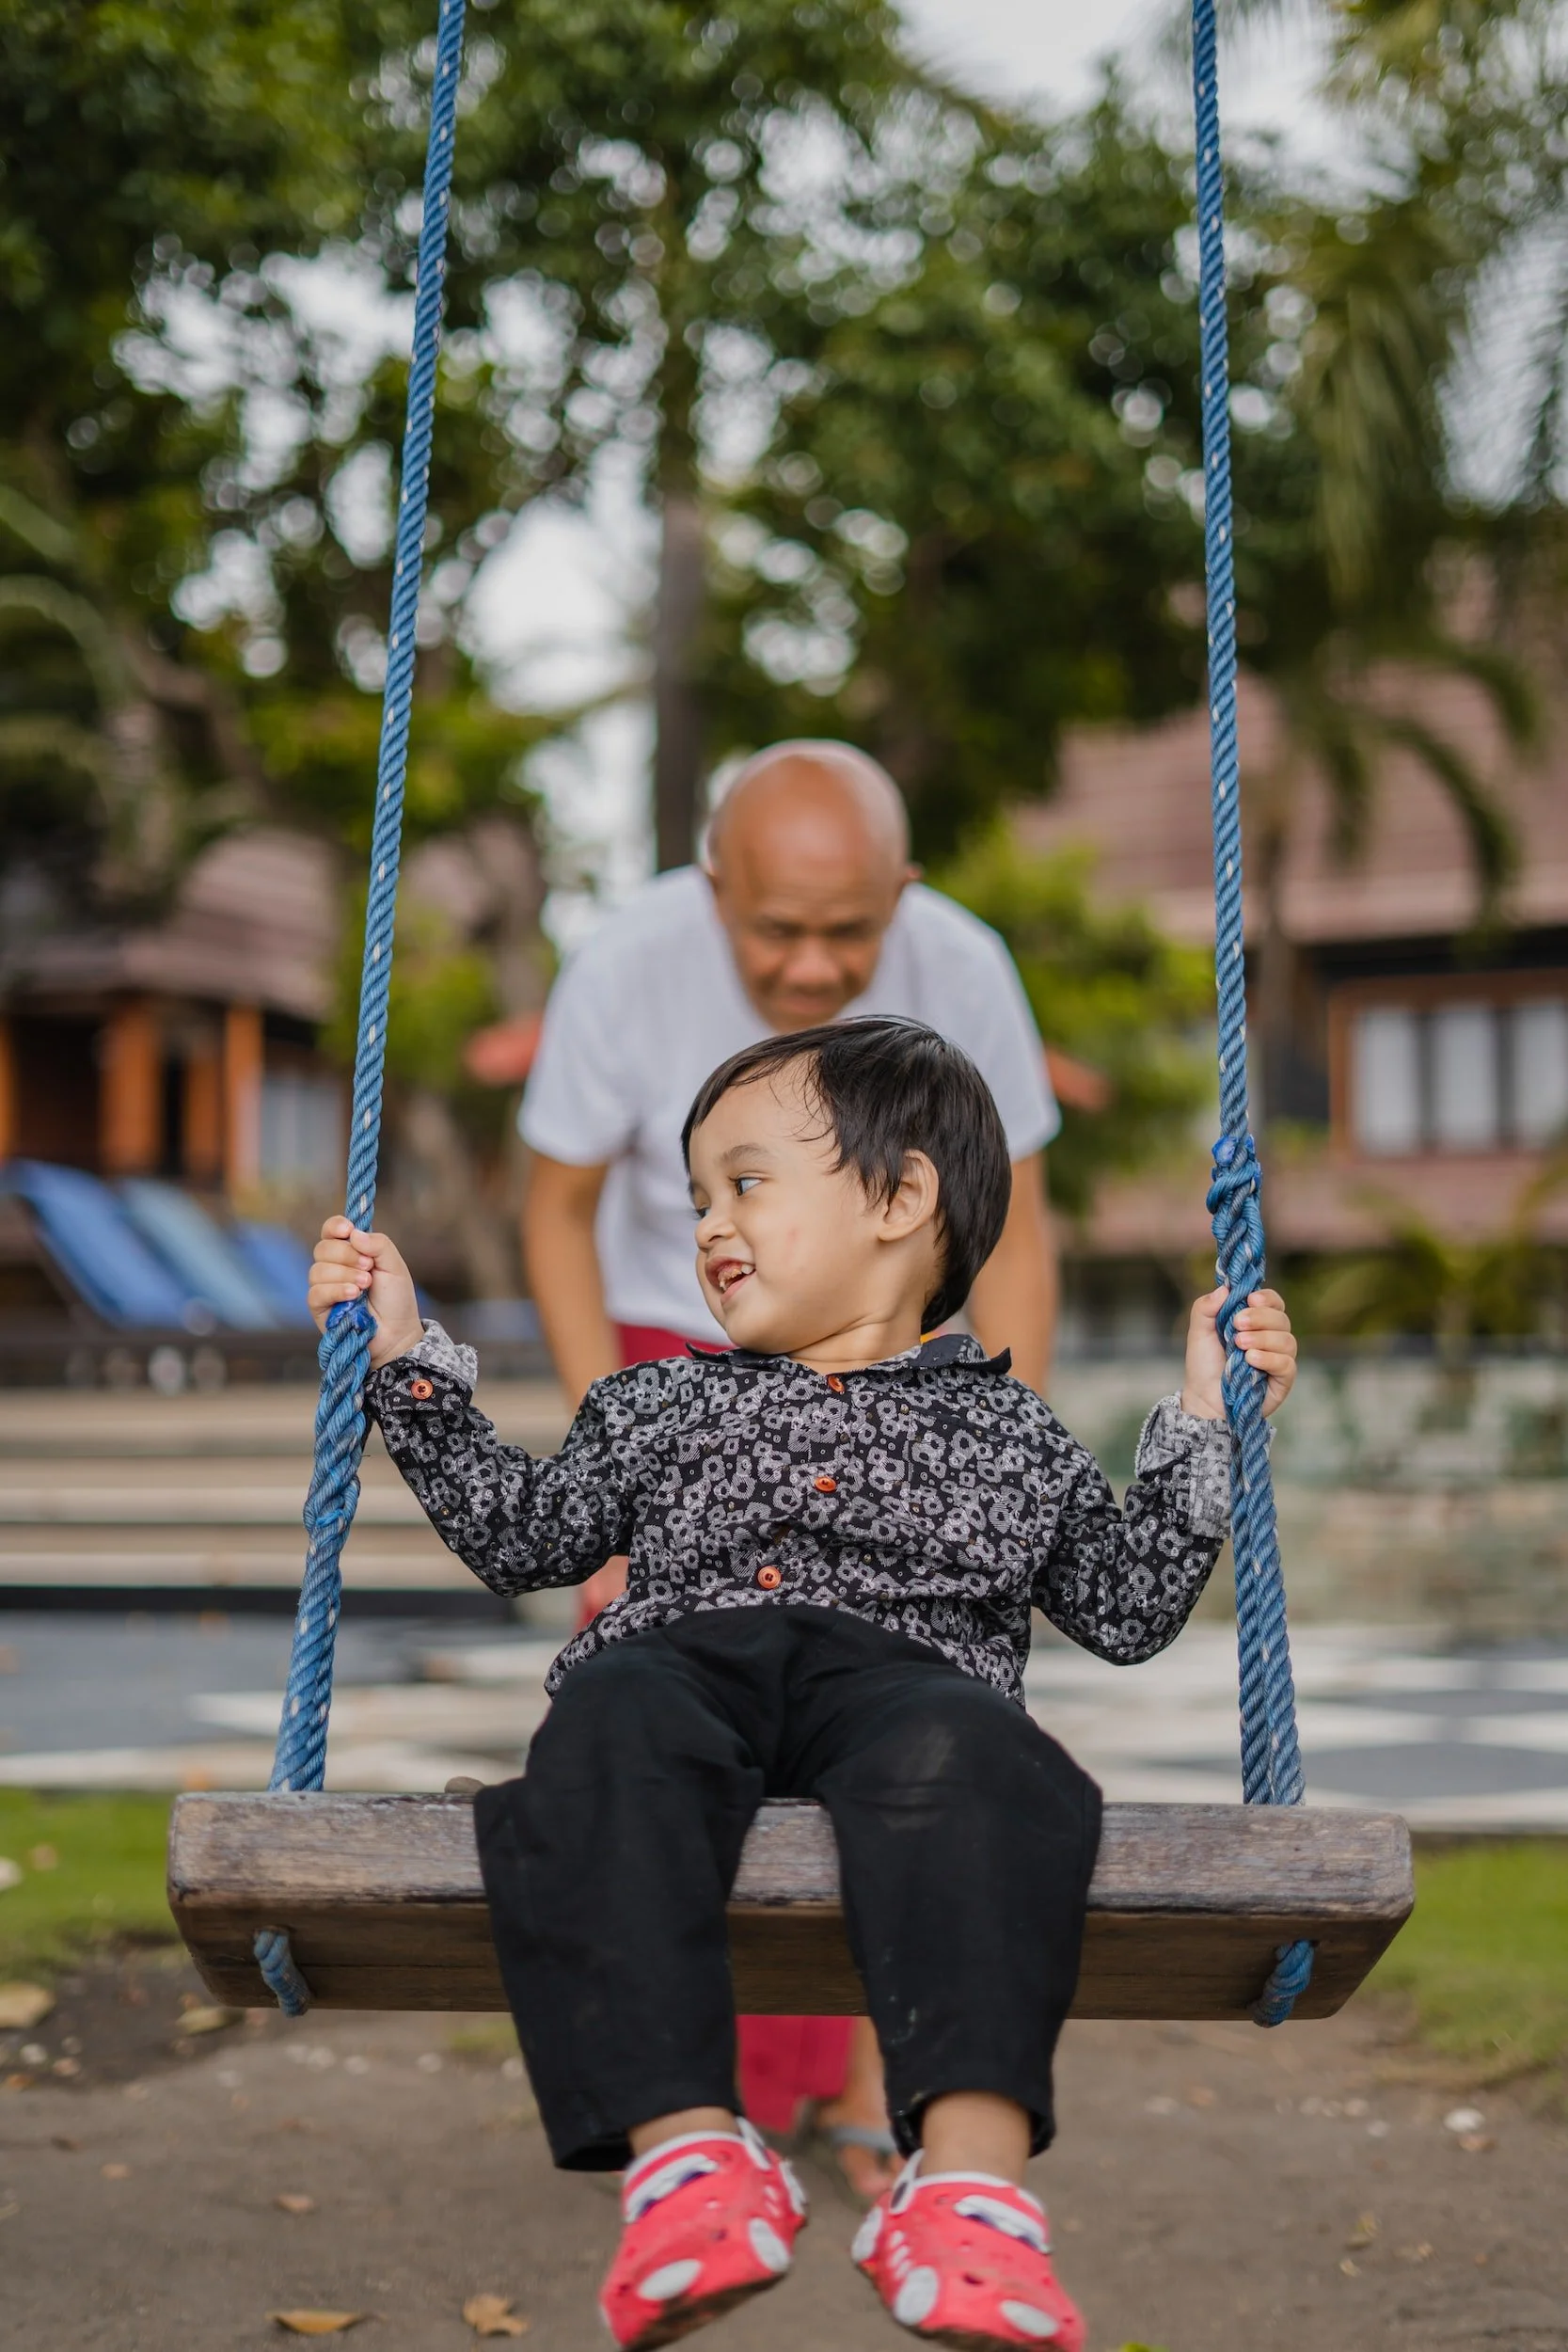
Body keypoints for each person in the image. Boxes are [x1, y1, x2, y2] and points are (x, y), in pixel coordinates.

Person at [309, 1016, 1298, 2352]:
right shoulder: (656, 1403)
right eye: (698, 1196)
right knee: (600, 1728)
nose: (711, 1225)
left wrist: (1203, 1421)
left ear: (899, 1200)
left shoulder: (1009, 1431)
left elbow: (1124, 1611)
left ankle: (964, 2192)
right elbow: (522, 1536)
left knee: (992, 1761)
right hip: (680, 1667)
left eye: (749, 1183)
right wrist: (402, 1354)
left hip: (912, 1688)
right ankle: (689, 2162)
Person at [518, 739, 1062, 2187]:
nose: (816, 967)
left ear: (905, 890)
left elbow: (1018, 1234)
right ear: (713, 888)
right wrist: (616, 1454)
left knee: (920, 1705)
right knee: (666, 1708)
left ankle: (892, 2102)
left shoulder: (966, 967)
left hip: (890, 1355)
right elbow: (557, 1210)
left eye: (850, 931)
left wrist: (994, 1457)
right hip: (678, 1344)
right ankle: (704, 2114)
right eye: (776, 931)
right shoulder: (626, 963)